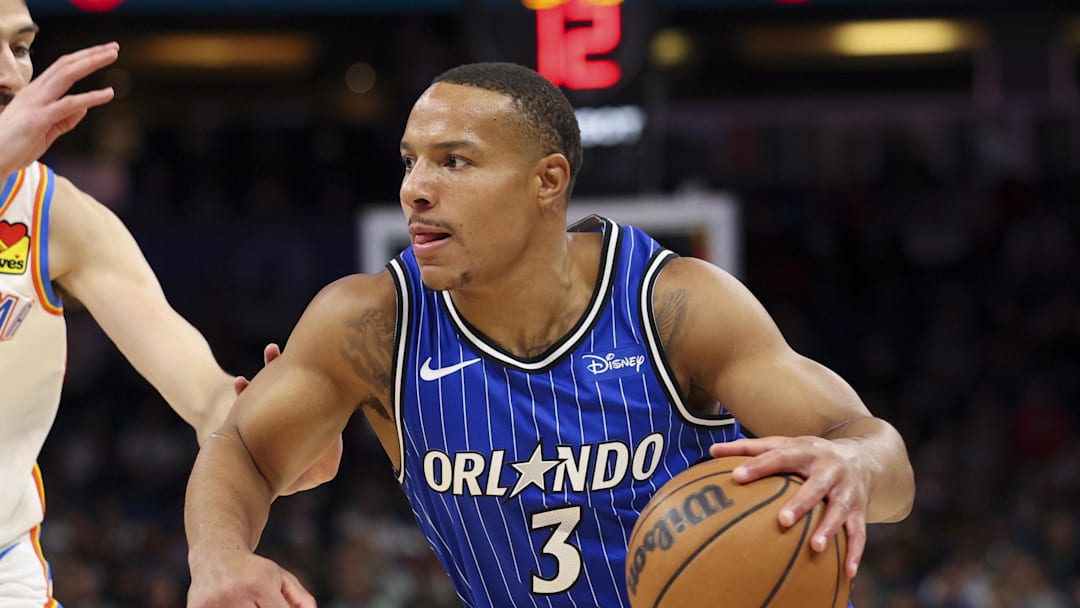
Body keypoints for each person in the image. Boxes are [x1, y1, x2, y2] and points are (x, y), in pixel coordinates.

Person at [184, 61, 916, 608]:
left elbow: (877, 455)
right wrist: (218, 558)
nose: (415, 188)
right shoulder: (372, 324)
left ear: (548, 180)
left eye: (454, 160)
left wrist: (854, 466)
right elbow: (241, 448)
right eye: (410, 160)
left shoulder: (673, 305)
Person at [0, 1, 339, 605]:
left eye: (20, 48)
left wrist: (272, 430)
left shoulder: (57, 215)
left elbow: (204, 394)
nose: (9, 73)